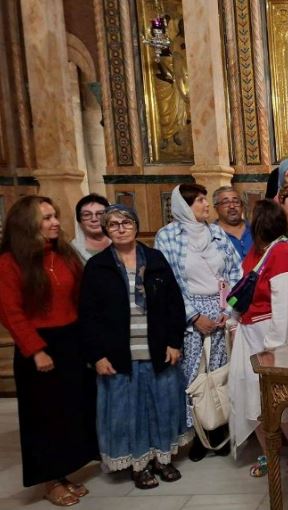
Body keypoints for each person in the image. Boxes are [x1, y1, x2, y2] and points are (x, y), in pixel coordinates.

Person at [79, 205, 189, 489]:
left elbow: (174, 305)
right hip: (118, 355)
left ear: (136, 226)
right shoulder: (97, 266)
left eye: (126, 222)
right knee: (130, 413)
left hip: (156, 350)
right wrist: (97, 355)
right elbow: (88, 315)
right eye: (113, 224)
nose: (120, 228)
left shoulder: (155, 259)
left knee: (162, 407)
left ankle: (161, 460)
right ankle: (138, 465)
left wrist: (175, 342)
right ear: (106, 230)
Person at [0, 196, 97, 506]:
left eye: (54, 216)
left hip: (71, 340)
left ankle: (63, 471)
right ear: (26, 225)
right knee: (44, 417)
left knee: (70, 411)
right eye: (46, 218)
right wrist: (36, 351)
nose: (55, 222)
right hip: (40, 345)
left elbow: (81, 301)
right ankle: (48, 479)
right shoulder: (9, 262)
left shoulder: (65, 256)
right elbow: (11, 312)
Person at [154, 184, 243, 461]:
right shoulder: (167, 236)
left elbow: (235, 272)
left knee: (221, 372)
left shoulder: (216, 233)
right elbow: (170, 282)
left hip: (221, 311)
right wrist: (194, 316)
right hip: (189, 314)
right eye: (200, 201)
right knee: (195, 375)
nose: (206, 205)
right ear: (184, 206)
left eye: (206, 199)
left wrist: (229, 310)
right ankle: (198, 436)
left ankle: (221, 429)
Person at [228, 200, 288, 477]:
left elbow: (284, 307)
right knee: (253, 400)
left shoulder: (282, 252)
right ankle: (268, 453)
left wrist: (274, 349)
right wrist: (234, 324)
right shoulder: (257, 252)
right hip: (250, 335)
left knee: (280, 403)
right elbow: (242, 290)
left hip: (272, 339)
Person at [213, 186, 253, 259]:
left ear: (242, 206)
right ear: (216, 208)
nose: (232, 206)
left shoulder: (256, 230)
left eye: (236, 202)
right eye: (225, 202)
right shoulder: (210, 235)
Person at [71, 193, 111, 262]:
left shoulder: (122, 243)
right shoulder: (71, 250)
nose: (94, 219)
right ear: (79, 220)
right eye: (87, 215)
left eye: (100, 214)